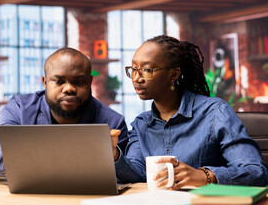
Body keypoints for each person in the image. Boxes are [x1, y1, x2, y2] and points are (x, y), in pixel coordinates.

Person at [111, 35, 268, 189]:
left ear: (174, 74)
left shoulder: (215, 112)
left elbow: (256, 172)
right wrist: (114, 156)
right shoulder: (141, 124)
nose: (137, 78)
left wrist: (206, 176)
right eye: (134, 69)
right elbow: (137, 175)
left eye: (147, 70)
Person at [0, 48, 128, 177]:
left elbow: (124, 175)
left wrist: (27, 163)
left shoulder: (113, 123)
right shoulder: (19, 109)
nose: (69, 88)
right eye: (59, 81)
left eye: (78, 81)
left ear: (89, 82)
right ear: (45, 82)